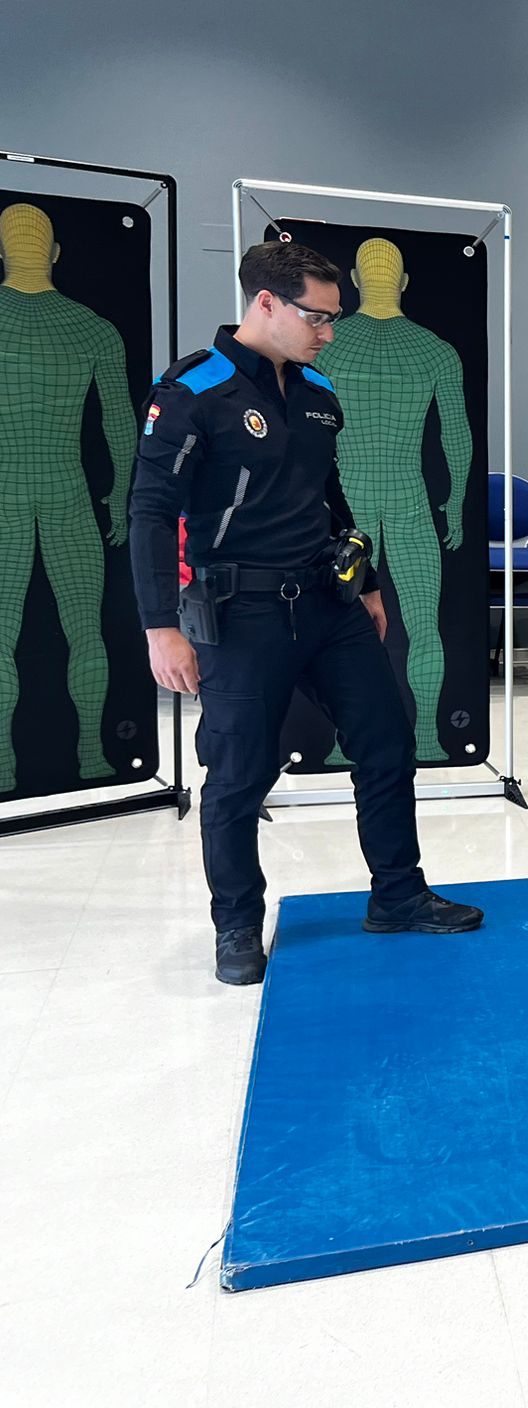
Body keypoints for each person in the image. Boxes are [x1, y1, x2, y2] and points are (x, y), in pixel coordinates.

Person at [129, 241, 482, 986]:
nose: (327, 332)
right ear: (264, 303)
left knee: (387, 744)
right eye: (316, 317)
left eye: (334, 317)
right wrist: (161, 627)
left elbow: (331, 496)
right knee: (237, 776)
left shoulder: (318, 390)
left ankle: (398, 895)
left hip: (328, 602)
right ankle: (236, 925)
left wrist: (374, 586)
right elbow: (151, 513)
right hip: (239, 613)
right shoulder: (195, 390)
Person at [314, 237, 473, 764]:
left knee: (348, 624)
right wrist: (456, 498)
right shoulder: (434, 349)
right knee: (421, 621)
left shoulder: (328, 344)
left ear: (355, 281)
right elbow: (457, 434)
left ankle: (347, 743)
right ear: (403, 283)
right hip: (409, 495)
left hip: (351, 494)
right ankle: (425, 737)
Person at [0, 201, 134, 797]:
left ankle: (5, 766)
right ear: (54, 253)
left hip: (5, 487)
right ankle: (93, 756)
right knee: (86, 630)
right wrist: (120, 493)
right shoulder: (91, 327)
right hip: (68, 489)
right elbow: (122, 426)